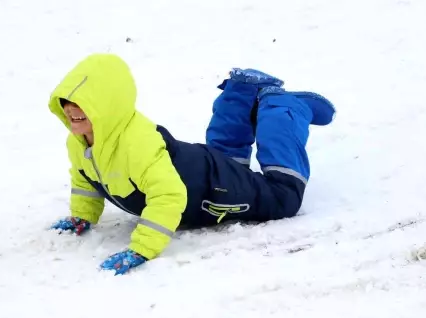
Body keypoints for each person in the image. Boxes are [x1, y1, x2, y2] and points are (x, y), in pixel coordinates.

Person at [48, 53, 335, 275]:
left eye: (84, 102)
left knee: (283, 195)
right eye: (66, 101)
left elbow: (169, 196)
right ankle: (243, 90)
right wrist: (83, 215)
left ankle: (284, 108)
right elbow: (86, 179)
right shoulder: (80, 141)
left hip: (212, 189)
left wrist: (142, 248)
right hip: (201, 171)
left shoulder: (137, 144)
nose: (71, 109)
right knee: (228, 161)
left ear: (108, 105)